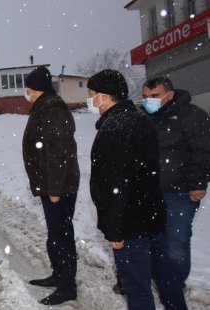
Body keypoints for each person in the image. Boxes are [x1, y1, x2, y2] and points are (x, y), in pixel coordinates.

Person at [87, 69, 187, 309]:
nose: (89, 99)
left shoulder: (114, 128)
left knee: (136, 286)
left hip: (129, 223)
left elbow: (115, 184)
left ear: (106, 96)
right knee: (164, 275)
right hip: (151, 215)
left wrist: (114, 230)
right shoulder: (139, 118)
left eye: (92, 94)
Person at [141, 76, 210, 285]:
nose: (148, 101)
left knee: (176, 242)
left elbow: (203, 151)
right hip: (151, 192)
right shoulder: (145, 117)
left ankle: (175, 285)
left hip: (180, 193)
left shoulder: (191, 116)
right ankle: (160, 277)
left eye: (154, 96)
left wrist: (198, 183)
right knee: (153, 239)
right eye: (145, 97)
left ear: (169, 95)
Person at [22, 66, 80, 306]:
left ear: (36, 88)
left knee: (61, 236)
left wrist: (55, 189)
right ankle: (59, 275)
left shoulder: (53, 110)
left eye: (28, 88)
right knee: (55, 235)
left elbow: (58, 153)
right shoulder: (44, 107)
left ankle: (67, 286)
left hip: (59, 188)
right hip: (52, 186)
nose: (26, 93)